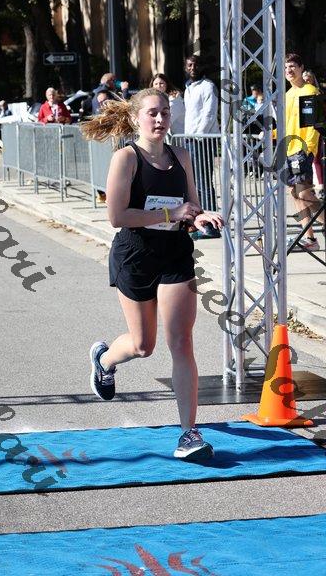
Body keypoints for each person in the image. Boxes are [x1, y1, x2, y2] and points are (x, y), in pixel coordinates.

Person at [81, 88, 223, 461]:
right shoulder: (126, 159)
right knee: (144, 345)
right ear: (136, 118)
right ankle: (105, 361)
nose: (160, 119)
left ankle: (189, 434)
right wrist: (169, 214)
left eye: (165, 113)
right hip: (136, 256)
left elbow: (190, 206)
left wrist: (200, 217)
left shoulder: (182, 156)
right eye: (152, 113)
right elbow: (117, 217)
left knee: (182, 341)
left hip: (175, 254)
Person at [282, 53, 325, 251]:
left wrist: (307, 149)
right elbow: (287, 125)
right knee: (295, 194)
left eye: (292, 66)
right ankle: (310, 239)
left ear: (301, 68)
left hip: (302, 150)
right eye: (286, 67)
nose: (289, 71)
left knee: (304, 192)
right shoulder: (287, 94)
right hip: (288, 150)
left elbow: (314, 125)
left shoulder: (310, 92)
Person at [184, 54, 219, 221]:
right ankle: (199, 218)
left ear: (201, 67)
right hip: (189, 139)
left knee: (204, 182)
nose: (193, 68)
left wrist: (198, 135)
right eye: (189, 65)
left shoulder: (208, 86)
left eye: (196, 65)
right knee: (193, 183)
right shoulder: (188, 88)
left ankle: (211, 221)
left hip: (202, 140)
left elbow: (209, 114)